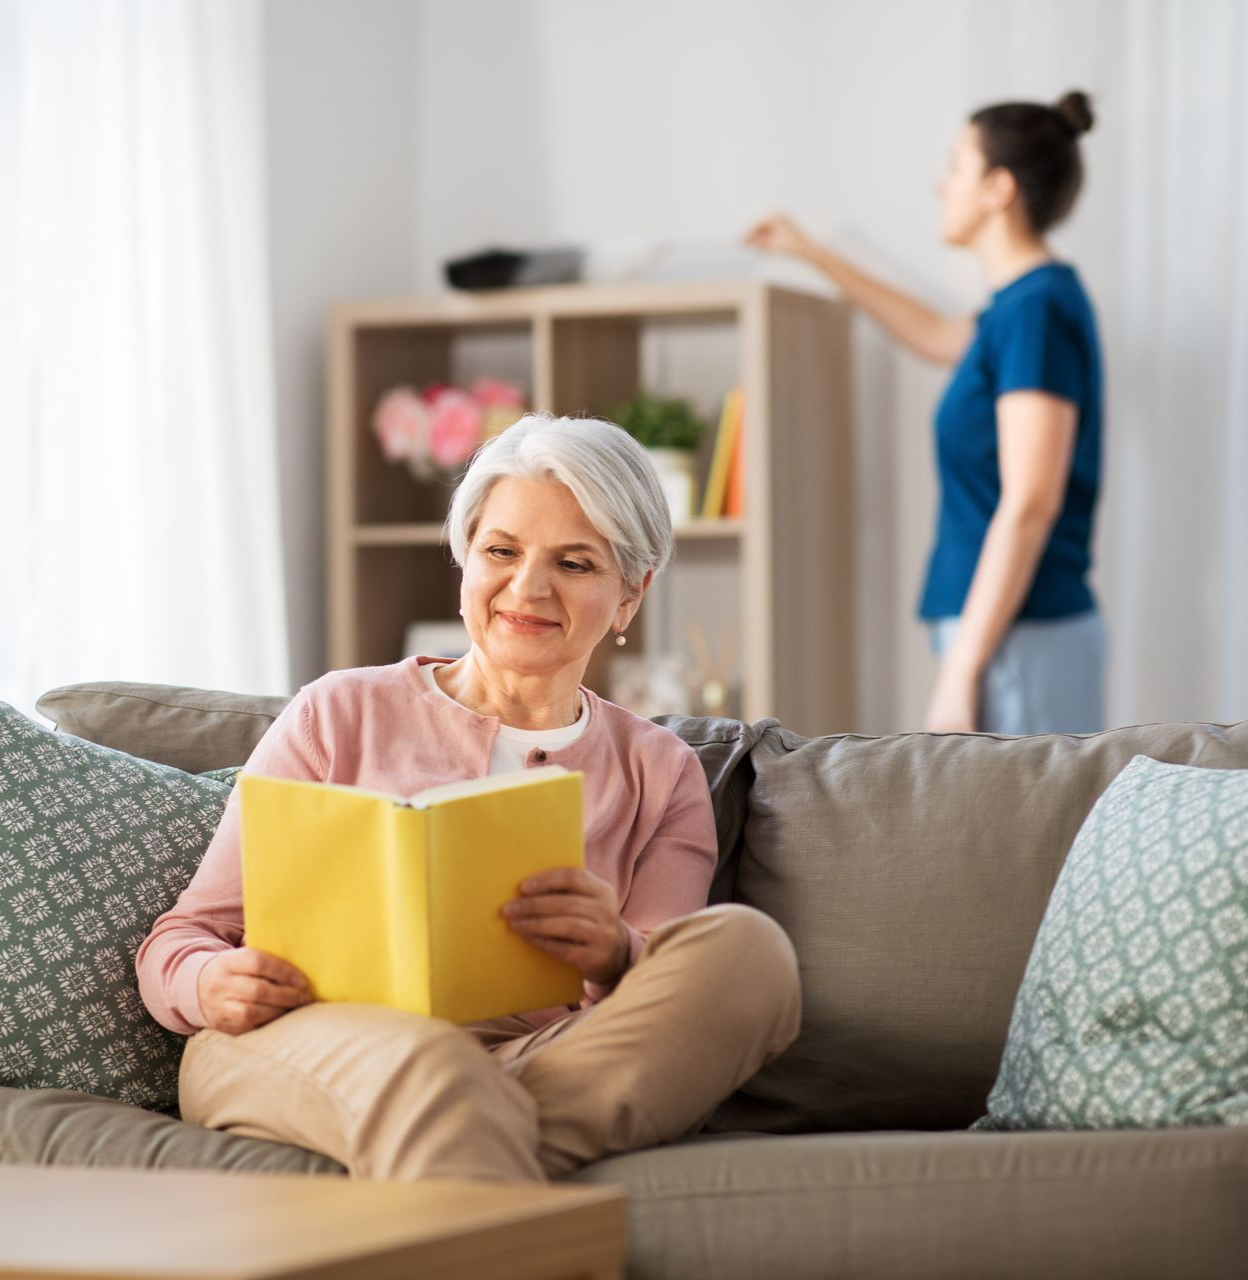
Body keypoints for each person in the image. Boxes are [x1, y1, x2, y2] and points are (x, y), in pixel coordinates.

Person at [136, 414, 800, 1182]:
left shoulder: (661, 770)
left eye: (575, 563)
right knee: (432, 1068)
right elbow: (181, 939)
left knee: (750, 957)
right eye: (501, 551)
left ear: (630, 594)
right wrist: (209, 982)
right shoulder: (337, 712)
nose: (528, 587)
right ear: (465, 563)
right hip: (302, 1042)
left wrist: (617, 953)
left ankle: (462, 1134)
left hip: (536, 1056)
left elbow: (666, 984)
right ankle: (470, 1124)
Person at [746, 91, 1105, 735]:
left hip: (1020, 635)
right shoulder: (1015, 309)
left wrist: (962, 671)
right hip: (1005, 633)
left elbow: (1031, 500)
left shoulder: (1036, 311)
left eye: (956, 166)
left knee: (1028, 838)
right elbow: (935, 334)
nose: (940, 185)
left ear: (999, 188)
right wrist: (812, 253)